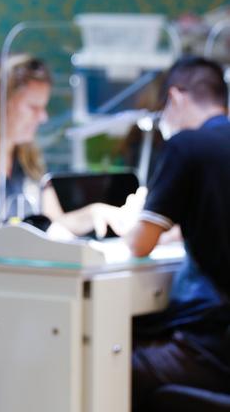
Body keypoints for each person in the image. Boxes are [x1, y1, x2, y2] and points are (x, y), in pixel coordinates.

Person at [109, 56, 230, 410]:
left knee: (110, 362)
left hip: (211, 343)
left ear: (175, 97)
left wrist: (121, 216)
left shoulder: (189, 146)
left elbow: (139, 242)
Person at [0, 53, 115, 236]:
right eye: (33, 107)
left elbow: (54, 221)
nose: (43, 117)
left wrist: (95, 213)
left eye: (43, 107)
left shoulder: (27, 158)